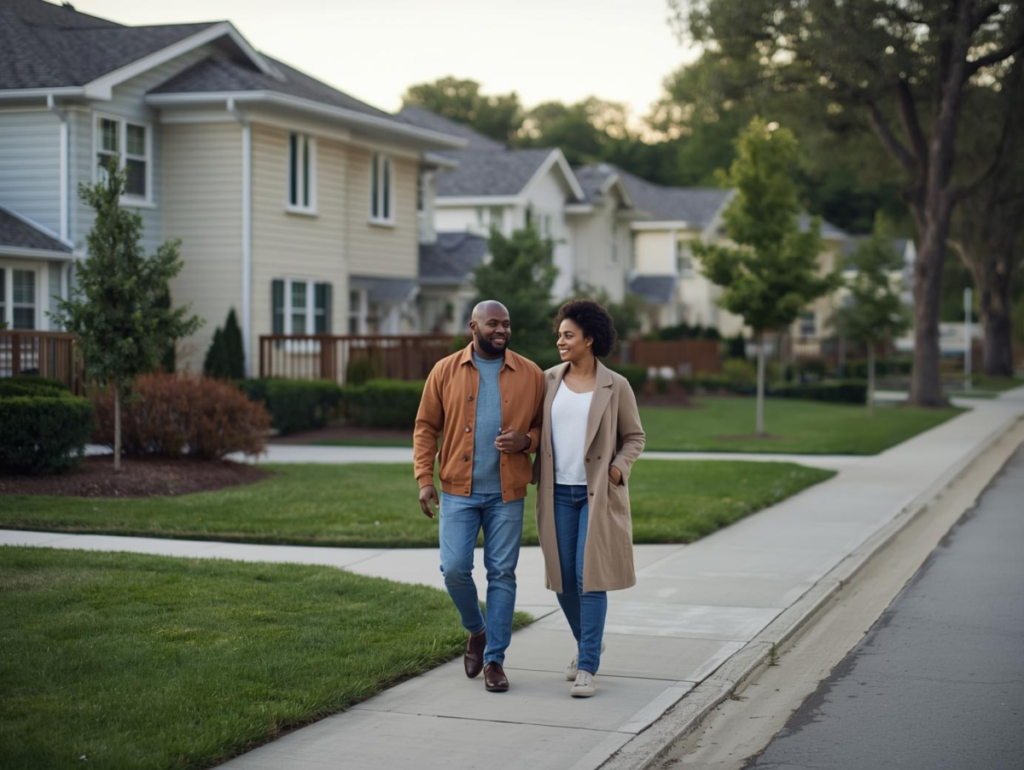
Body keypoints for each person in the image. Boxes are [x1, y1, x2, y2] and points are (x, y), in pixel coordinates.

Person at [414, 300, 544, 693]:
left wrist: (527, 441)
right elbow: (425, 427)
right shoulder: (444, 370)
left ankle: (495, 661)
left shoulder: (531, 374)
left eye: (506, 324)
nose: (501, 330)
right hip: (458, 491)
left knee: (501, 575)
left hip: (507, 494)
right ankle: (477, 630)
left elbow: (544, 428)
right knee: (454, 569)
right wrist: (424, 478)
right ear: (473, 326)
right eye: (493, 324)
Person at [534, 299, 645, 698]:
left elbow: (635, 436)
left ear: (589, 339)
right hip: (556, 493)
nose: (560, 341)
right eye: (559, 336)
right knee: (562, 577)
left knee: (589, 576)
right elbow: (533, 430)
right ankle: (589, 643)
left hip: (595, 494)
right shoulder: (546, 380)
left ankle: (587, 666)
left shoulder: (616, 385)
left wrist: (618, 468)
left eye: (568, 335)